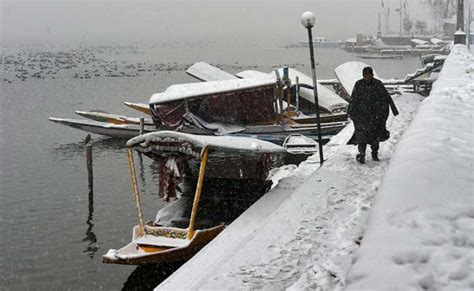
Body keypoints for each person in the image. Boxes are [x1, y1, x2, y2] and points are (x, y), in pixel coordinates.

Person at [347, 67, 399, 164]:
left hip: (375, 116)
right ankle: (361, 154)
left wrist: (393, 110)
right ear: (363, 76)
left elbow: (386, 97)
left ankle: (374, 154)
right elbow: (353, 99)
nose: (367, 77)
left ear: (372, 75)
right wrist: (350, 111)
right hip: (362, 116)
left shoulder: (378, 84)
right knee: (361, 136)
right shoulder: (359, 84)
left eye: (369, 75)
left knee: (375, 137)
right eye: (365, 75)